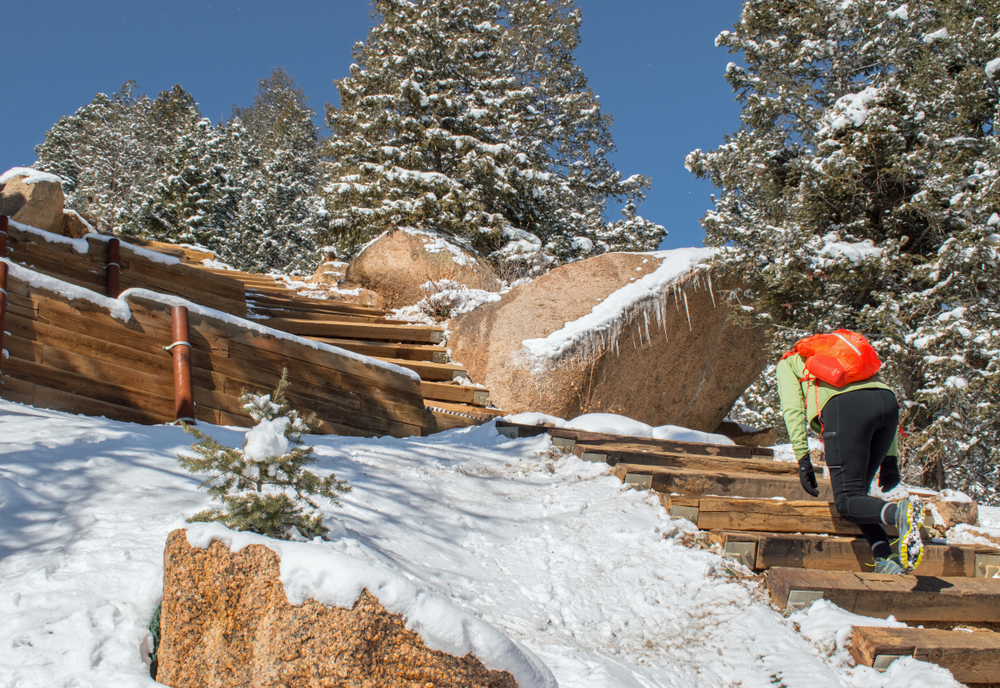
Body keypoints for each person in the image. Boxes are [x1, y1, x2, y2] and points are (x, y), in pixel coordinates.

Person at [776, 341, 924, 574]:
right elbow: (874, 391)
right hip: (887, 404)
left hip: (846, 410)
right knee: (858, 496)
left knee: (846, 502)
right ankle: (885, 557)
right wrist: (890, 459)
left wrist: (803, 458)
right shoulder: (849, 358)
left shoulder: (788, 363)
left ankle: (898, 514)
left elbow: (792, 409)